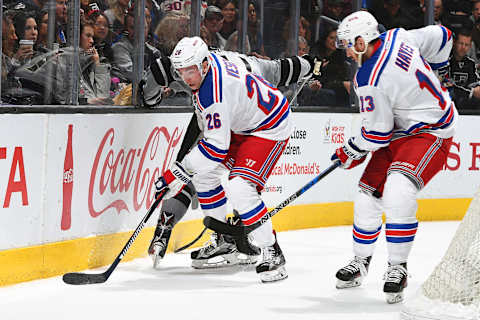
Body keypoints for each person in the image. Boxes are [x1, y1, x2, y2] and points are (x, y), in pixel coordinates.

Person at [150, 36, 305, 283]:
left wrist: (175, 175)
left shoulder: (214, 90)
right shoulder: (209, 67)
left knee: (240, 187)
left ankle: (272, 251)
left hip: (269, 125)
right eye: (181, 72)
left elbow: (215, 149)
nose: (186, 77)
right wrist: (185, 171)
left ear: (203, 65)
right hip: (243, 123)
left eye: (190, 70)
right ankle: (225, 241)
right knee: (204, 174)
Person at [332, 11, 457, 304]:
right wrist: (439, 70)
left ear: (363, 41)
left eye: (350, 44)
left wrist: (350, 148)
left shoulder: (368, 78)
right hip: (401, 130)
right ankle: (361, 262)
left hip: (431, 130)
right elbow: (444, 36)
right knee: (366, 195)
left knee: (398, 189)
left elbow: (376, 135)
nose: (348, 52)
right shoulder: (399, 36)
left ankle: (397, 267)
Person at [445, 29, 480, 109]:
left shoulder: (470, 63)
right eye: (461, 43)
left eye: (466, 45)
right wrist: (471, 92)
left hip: (465, 103)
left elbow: (474, 82)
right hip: (448, 103)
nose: (463, 47)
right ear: (454, 43)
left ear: (470, 46)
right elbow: (447, 86)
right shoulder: (445, 61)